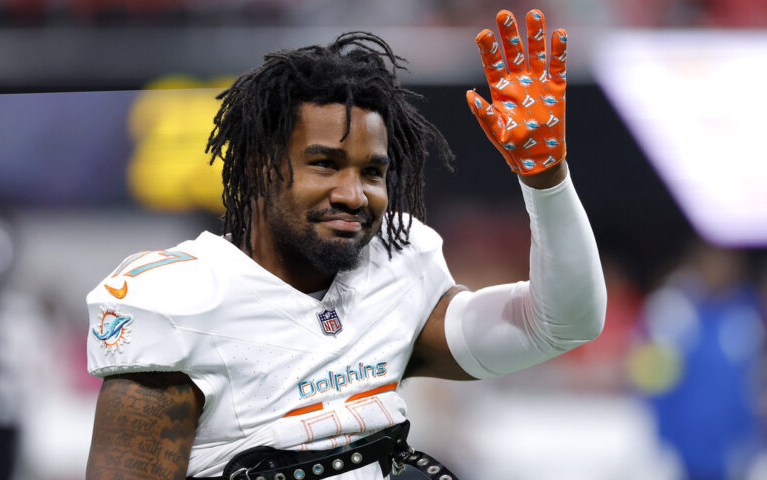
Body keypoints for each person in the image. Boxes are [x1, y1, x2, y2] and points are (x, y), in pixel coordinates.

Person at [85, 9, 606, 480]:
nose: (353, 195)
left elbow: (563, 322)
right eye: (325, 164)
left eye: (372, 172)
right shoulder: (179, 302)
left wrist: (546, 179)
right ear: (257, 167)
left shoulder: (397, 270)